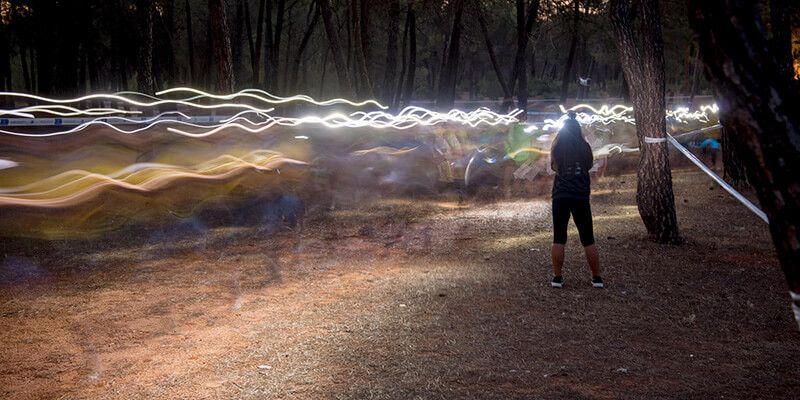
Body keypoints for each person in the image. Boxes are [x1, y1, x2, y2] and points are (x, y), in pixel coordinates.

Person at [549, 112, 603, 288]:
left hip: (560, 195)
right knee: (588, 238)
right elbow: (588, 166)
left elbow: (553, 166)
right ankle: (596, 278)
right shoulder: (585, 147)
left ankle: (557, 278)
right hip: (580, 195)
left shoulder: (557, 148)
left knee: (559, 237)